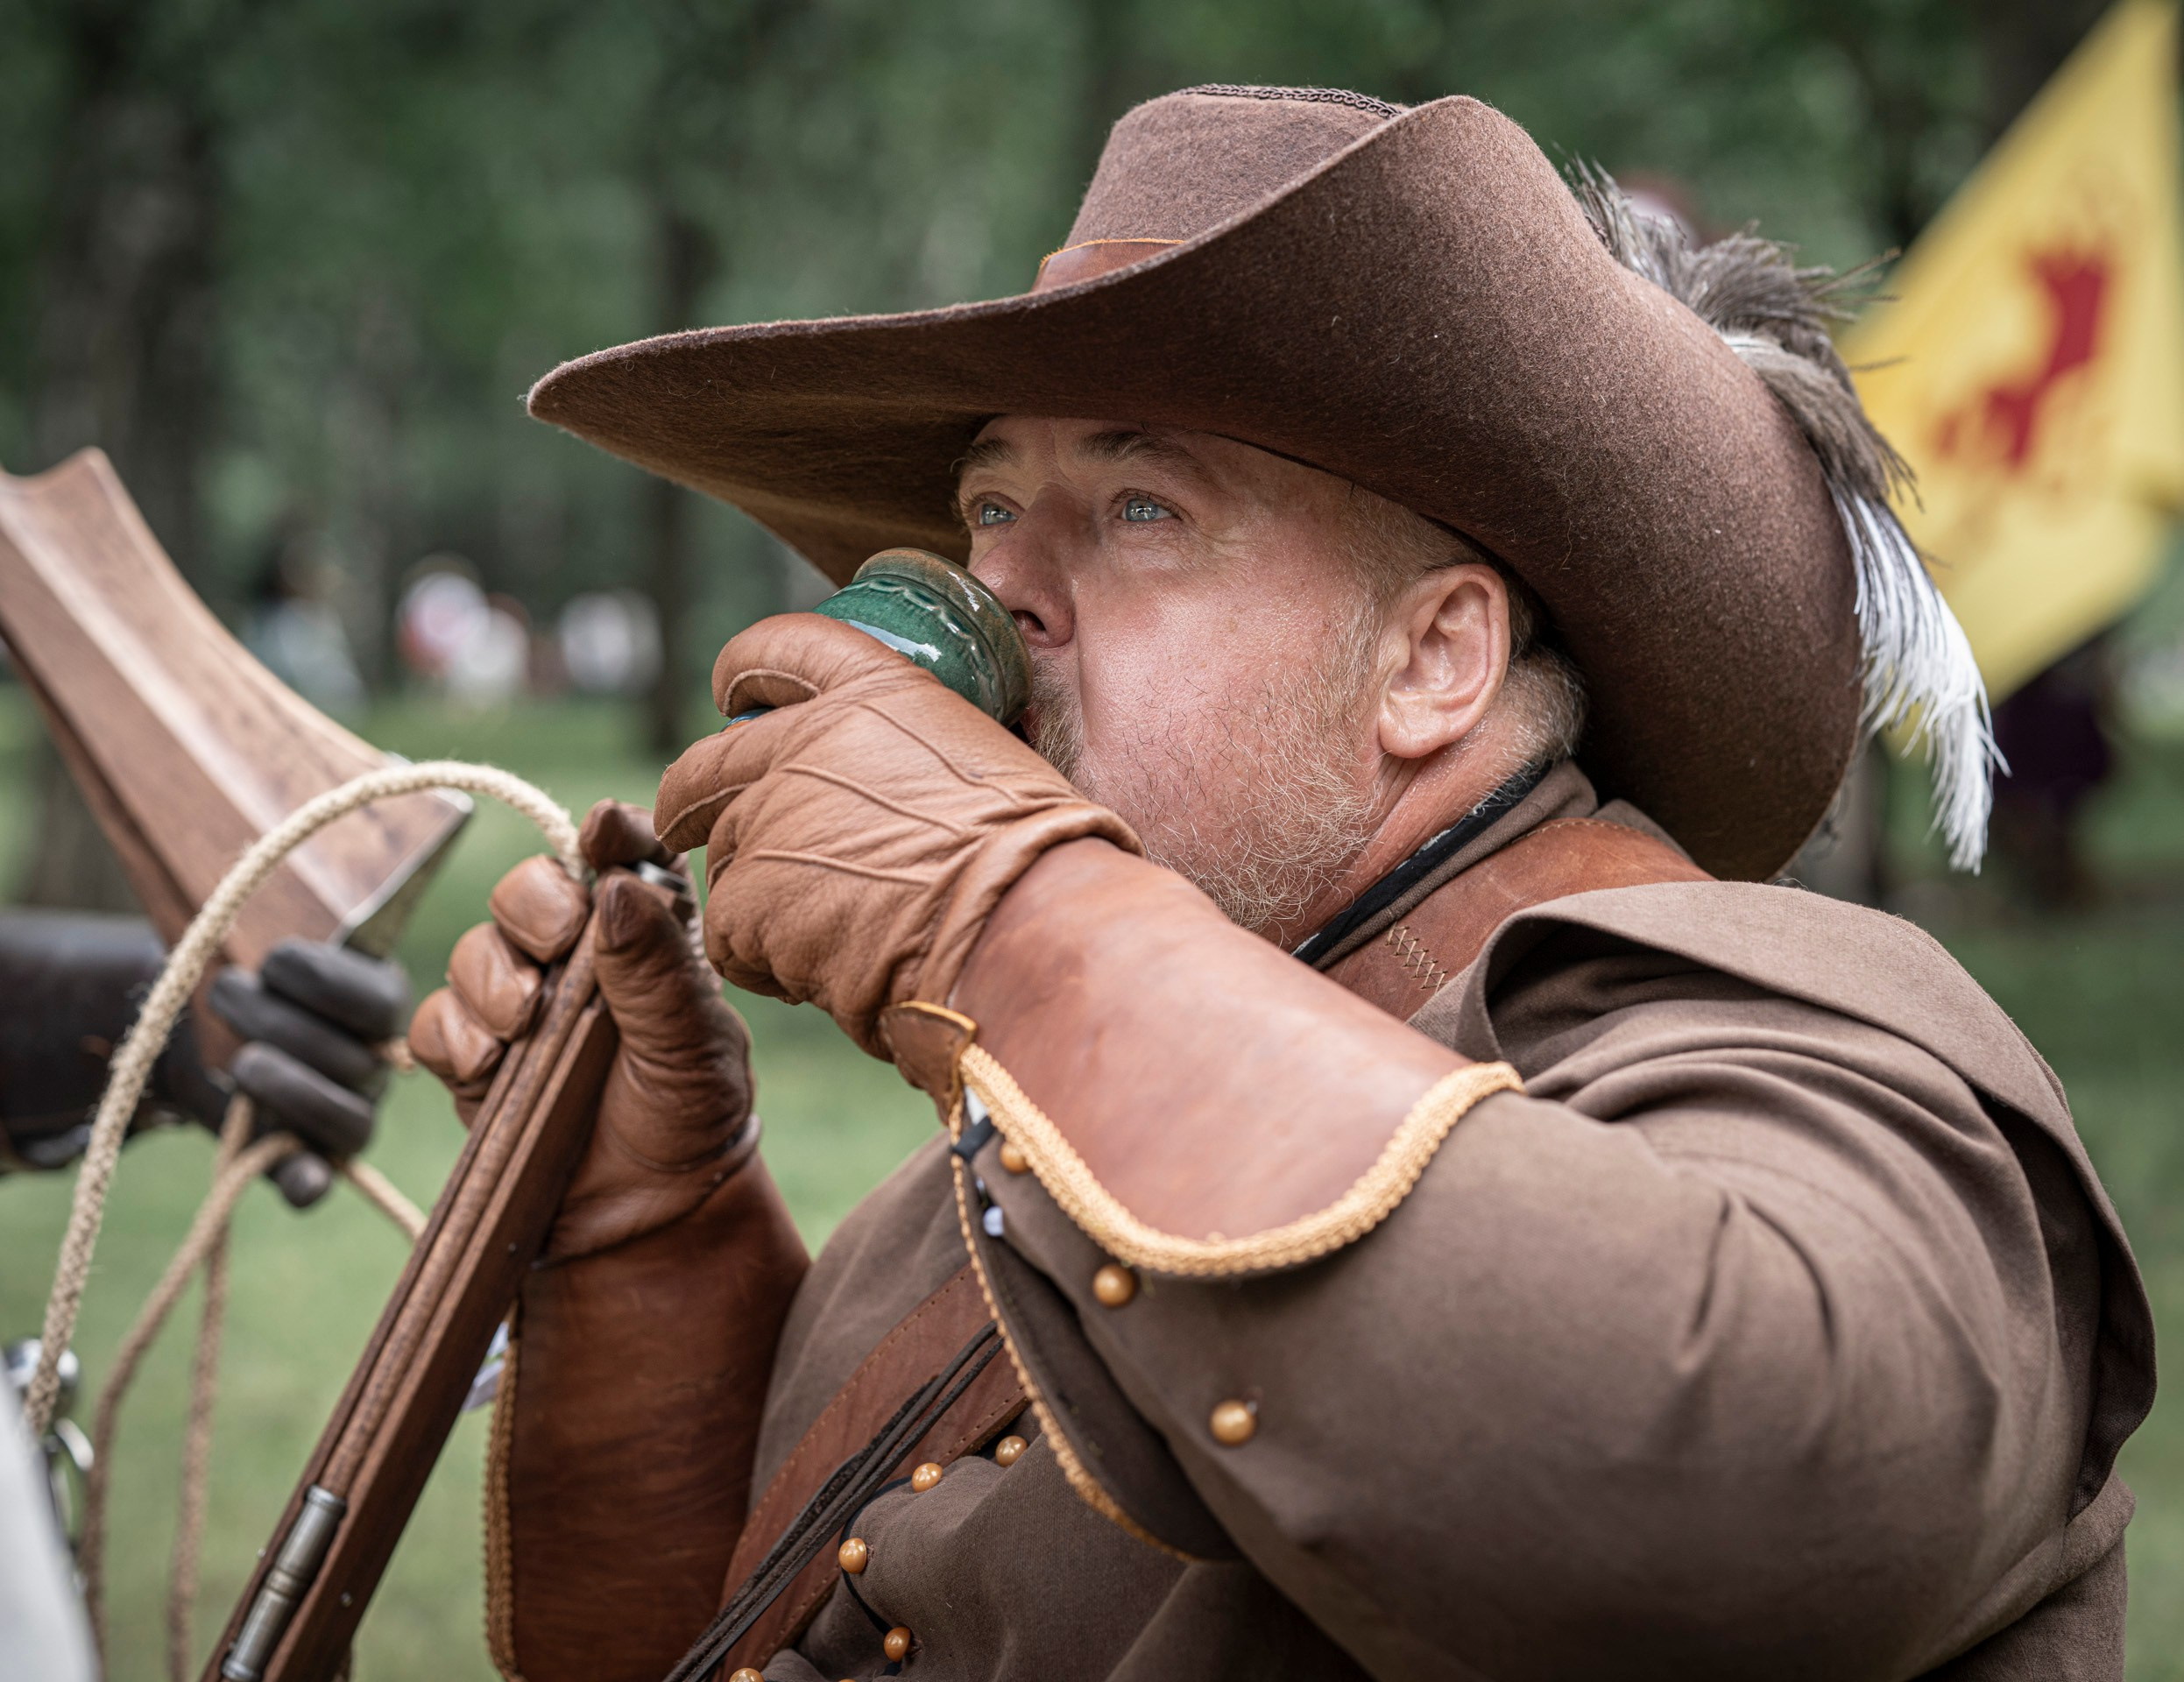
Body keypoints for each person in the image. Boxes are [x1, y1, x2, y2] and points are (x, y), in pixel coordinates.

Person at [411, 87, 2152, 1680]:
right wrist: (661, 1227)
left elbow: (1758, 1494)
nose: (994, 579)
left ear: (1433, 662)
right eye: (987, 503)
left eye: (1140, 508)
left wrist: (1005, 917)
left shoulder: (1808, 1026)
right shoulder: (1045, 1097)